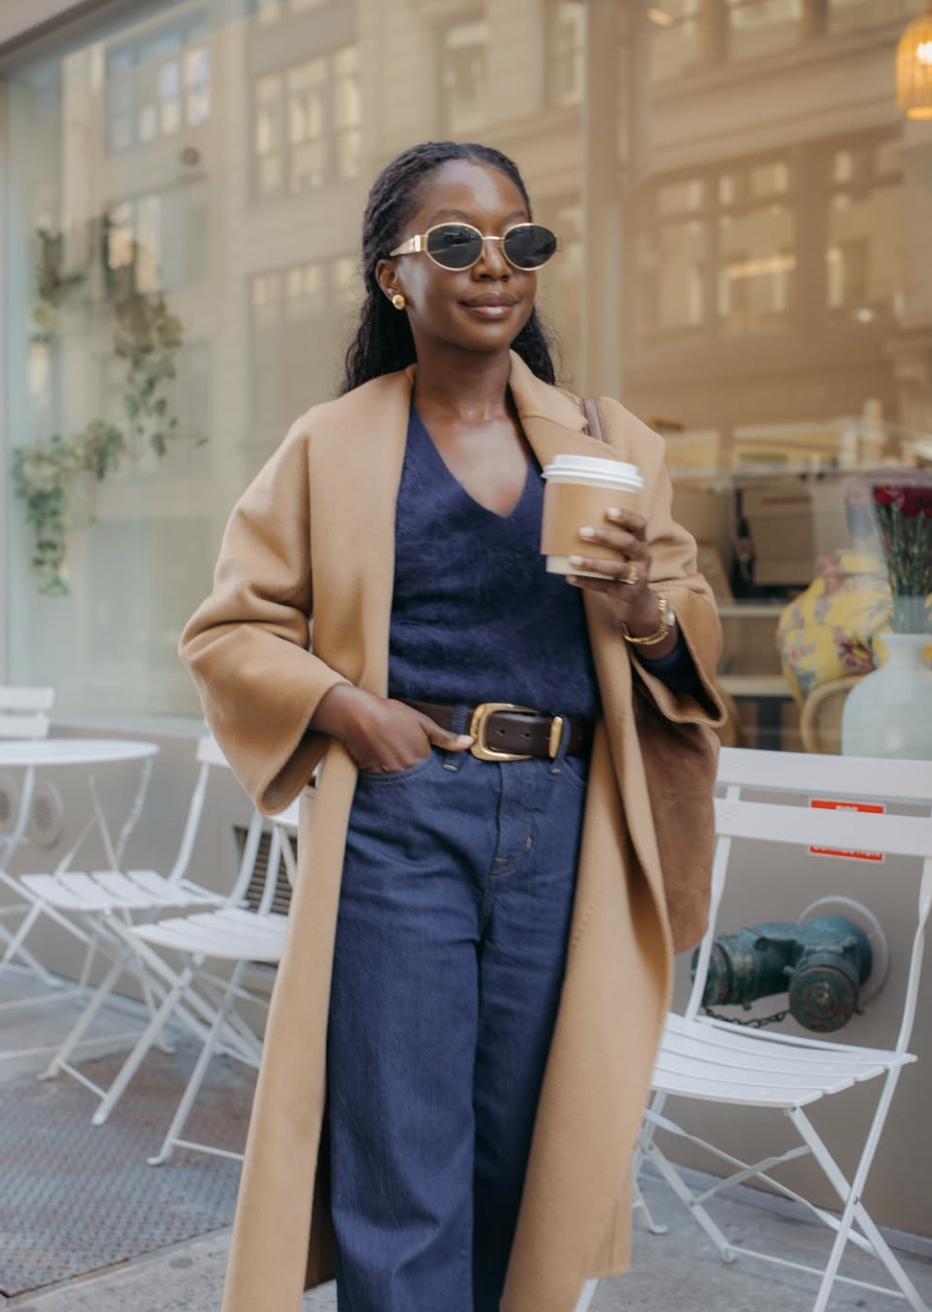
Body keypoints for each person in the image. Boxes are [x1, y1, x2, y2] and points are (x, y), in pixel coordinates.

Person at [180, 141, 725, 1312]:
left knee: (524, 1150)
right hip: (402, 813)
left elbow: (688, 636)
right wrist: (342, 708)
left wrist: (637, 609)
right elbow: (227, 631)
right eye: (456, 243)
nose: (495, 267)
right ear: (393, 274)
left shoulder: (606, 442)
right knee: (398, 1152)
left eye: (520, 241)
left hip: (564, 824)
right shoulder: (332, 445)